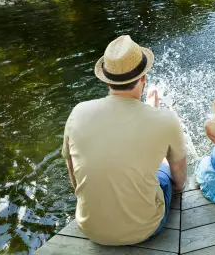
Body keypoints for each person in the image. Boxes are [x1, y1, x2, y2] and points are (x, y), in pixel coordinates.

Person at [61, 35, 187, 245]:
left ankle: (148, 106)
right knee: (164, 169)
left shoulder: (78, 112)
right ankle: (149, 107)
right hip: (144, 229)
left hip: (89, 227)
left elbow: (72, 170)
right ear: (143, 78)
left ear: (107, 80)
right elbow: (180, 178)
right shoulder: (166, 119)